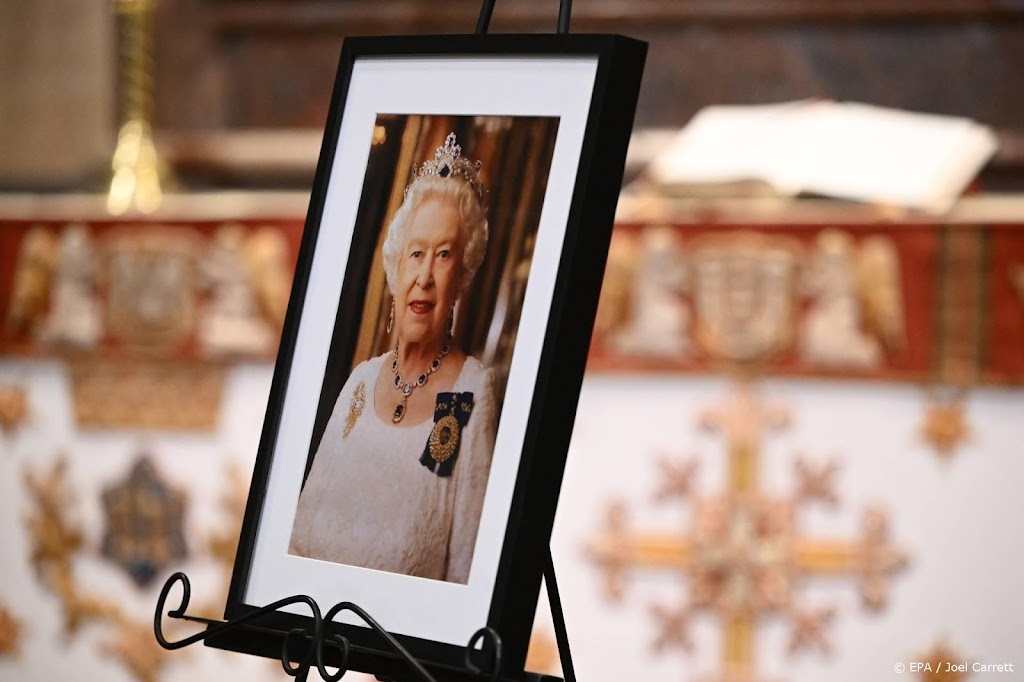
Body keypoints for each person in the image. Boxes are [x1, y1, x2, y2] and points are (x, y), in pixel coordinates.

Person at [289, 132, 498, 584]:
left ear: (462, 276)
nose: (424, 276)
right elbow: (297, 537)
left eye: (444, 256)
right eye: (416, 254)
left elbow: (466, 572)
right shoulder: (362, 382)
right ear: (396, 266)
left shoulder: (468, 393)